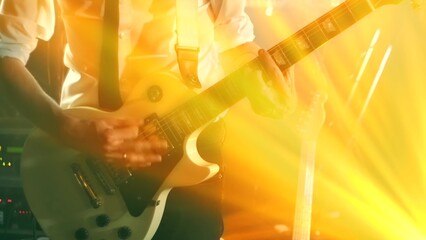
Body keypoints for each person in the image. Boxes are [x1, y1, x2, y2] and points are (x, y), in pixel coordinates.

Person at [0, 0, 297, 239]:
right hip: (89, 155)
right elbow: (6, 52)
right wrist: (69, 129)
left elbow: (234, 40)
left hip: (192, 152)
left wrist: (269, 94)